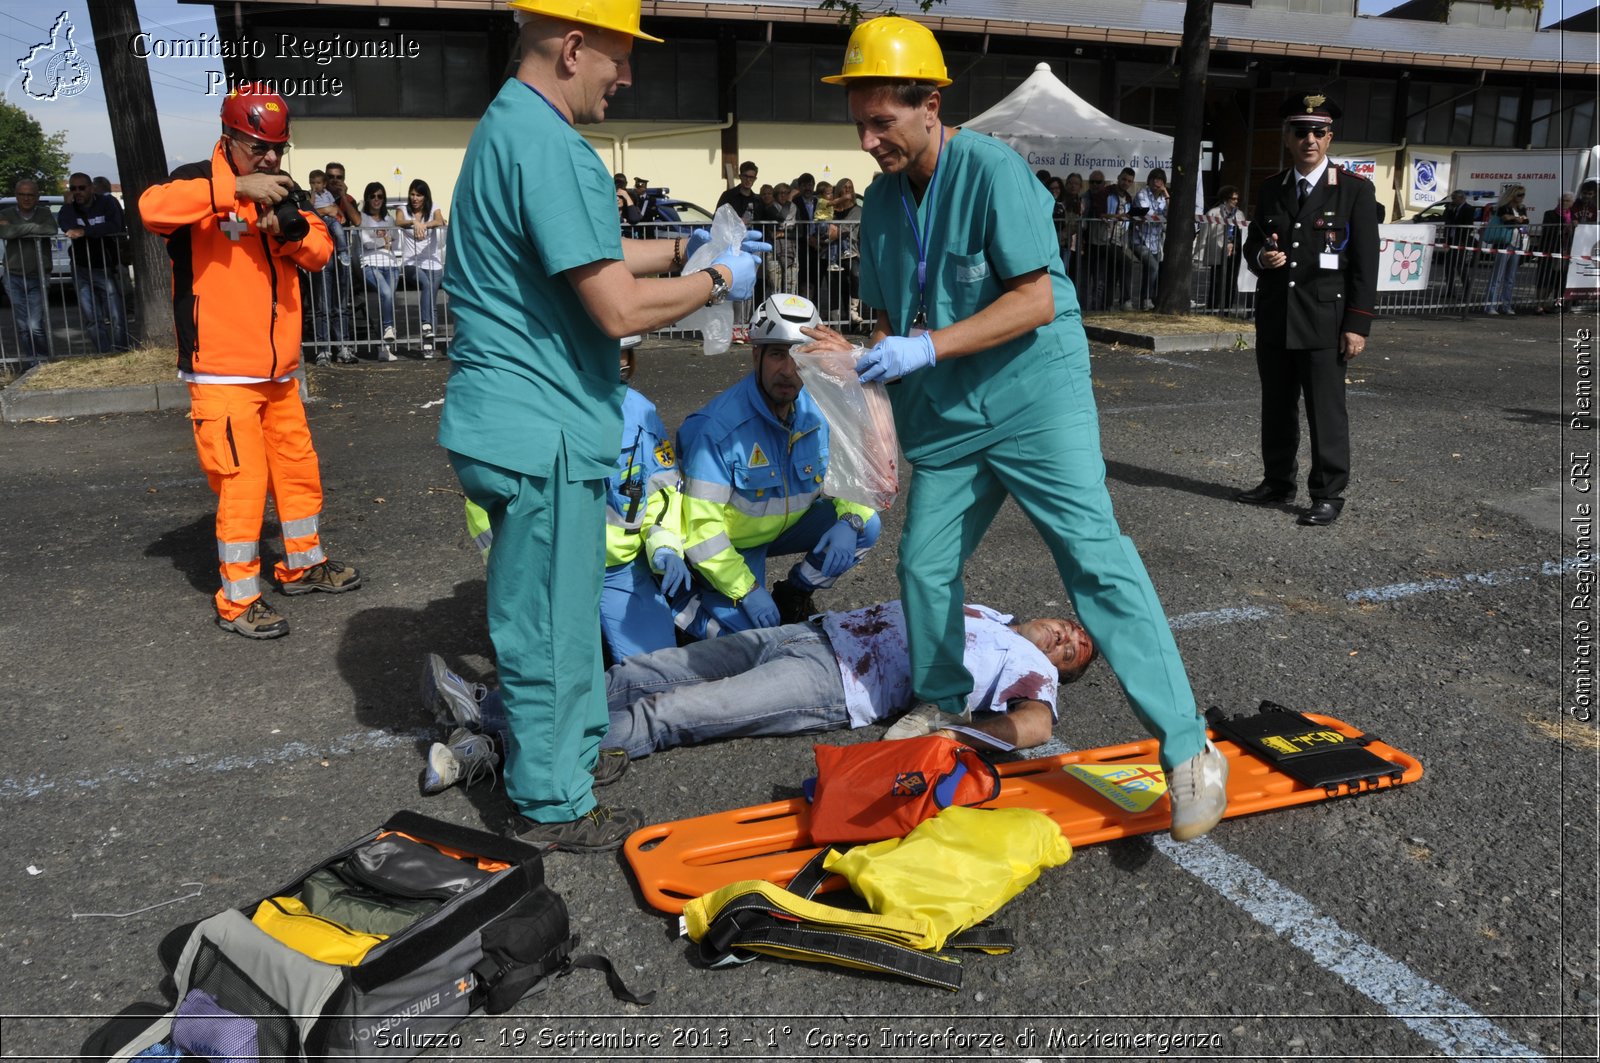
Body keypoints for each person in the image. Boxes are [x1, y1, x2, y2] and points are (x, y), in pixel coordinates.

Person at [823, 15, 1226, 843]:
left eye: (882, 122)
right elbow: (896, 320)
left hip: (1035, 400)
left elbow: (1035, 299)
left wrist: (923, 345)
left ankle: (1189, 750)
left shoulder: (993, 169)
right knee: (925, 562)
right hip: (948, 415)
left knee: (1094, 562)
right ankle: (938, 702)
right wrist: (850, 366)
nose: (868, 140)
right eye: (859, 122)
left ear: (930, 103)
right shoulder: (881, 204)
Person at [439, 0, 763, 853]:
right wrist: (715, 278)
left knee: (565, 609)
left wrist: (684, 249)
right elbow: (614, 303)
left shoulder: (512, 131)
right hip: (540, 425)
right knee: (548, 621)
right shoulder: (552, 146)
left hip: (528, 421)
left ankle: (574, 755)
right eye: (620, 58)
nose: (628, 76)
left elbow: (584, 249)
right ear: (573, 47)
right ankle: (551, 801)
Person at [417, 602, 1098, 791]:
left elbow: (1035, 725)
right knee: (645, 670)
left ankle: (502, 749)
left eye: (1076, 654)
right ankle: (492, 704)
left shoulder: (1031, 672)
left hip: (832, 685)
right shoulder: (988, 611)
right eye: (1073, 629)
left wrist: (959, 736)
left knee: (672, 715)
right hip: (808, 633)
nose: (1069, 640)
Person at [140, 84, 361, 638]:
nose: (270, 158)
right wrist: (235, 188)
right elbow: (149, 208)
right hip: (220, 370)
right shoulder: (195, 180)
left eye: (277, 149)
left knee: (296, 470)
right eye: (258, 147)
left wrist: (286, 228)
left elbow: (320, 251)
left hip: (280, 372)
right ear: (230, 138)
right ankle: (239, 599)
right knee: (242, 483)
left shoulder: (284, 193)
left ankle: (304, 564)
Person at [463, 340, 687, 663]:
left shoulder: (641, 413)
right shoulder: (528, 415)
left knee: (658, 674)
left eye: (622, 357)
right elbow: (485, 497)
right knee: (545, 684)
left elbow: (663, 489)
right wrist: (514, 566)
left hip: (620, 571)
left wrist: (665, 545)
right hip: (552, 574)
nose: (616, 366)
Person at [673, 293, 880, 638]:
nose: (787, 370)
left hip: (784, 528)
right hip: (730, 546)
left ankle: (794, 593)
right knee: (747, 644)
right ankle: (682, 606)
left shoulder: (818, 411)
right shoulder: (718, 430)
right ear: (756, 356)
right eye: (777, 355)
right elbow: (702, 534)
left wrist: (852, 517)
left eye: (798, 357)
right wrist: (748, 591)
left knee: (866, 525)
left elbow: (852, 475)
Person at [1239, 93, 1379, 528]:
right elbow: (1254, 242)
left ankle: (1328, 492)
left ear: (1330, 137)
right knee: (1277, 406)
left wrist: (1357, 325)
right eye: (1301, 132)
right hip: (1277, 316)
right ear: (1287, 137)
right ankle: (1278, 480)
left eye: (1318, 132)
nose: (1310, 139)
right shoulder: (1271, 188)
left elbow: (1364, 264)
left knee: (1326, 409)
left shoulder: (1354, 190)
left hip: (1324, 319)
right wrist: (1262, 257)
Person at [58, 171, 130, 353]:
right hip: (81, 267)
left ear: (91, 188)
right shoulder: (68, 208)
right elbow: (66, 225)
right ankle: (103, 352)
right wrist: (94, 230)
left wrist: (85, 232)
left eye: (82, 188)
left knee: (116, 314)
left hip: (105, 265)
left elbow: (115, 225)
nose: (77, 192)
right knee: (92, 316)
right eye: (73, 188)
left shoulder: (107, 203)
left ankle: (121, 350)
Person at [0, 178, 57, 367]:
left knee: (35, 325)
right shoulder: (6, 213)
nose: (26, 198)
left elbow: (50, 229)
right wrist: (33, 228)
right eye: (22, 194)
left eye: (30, 195)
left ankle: (43, 360)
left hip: (38, 275)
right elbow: (5, 233)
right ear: (16, 195)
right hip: (13, 275)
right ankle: (32, 362)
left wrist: (18, 230)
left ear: (37, 196)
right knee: (23, 326)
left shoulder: (45, 213)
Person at [396, 178, 447, 357]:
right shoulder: (403, 208)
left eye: (419, 195)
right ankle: (426, 325)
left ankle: (428, 345)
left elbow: (440, 221)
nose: (415, 198)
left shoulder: (434, 208)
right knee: (425, 284)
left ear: (425, 196)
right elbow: (399, 222)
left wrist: (424, 224)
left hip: (433, 262)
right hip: (412, 263)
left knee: (431, 303)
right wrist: (413, 223)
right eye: (412, 194)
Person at [356, 181, 400, 360]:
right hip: (370, 263)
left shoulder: (388, 219)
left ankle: (385, 349)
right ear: (367, 198)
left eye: (380, 196)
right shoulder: (362, 217)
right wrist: (384, 241)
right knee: (387, 294)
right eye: (373, 196)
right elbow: (366, 242)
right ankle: (389, 328)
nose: (376, 199)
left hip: (390, 263)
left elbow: (395, 237)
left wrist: (387, 240)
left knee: (386, 303)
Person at [1482, 185, 1529, 316]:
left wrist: (1517, 219)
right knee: (1497, 276)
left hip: (1517, 243)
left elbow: (1526, 220)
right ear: (1512, 195)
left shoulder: (1522, 208)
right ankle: (1490, 305)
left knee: (1510, 277)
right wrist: (1516, 219)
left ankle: (1506, 304)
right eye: (1519, 195)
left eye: (1523, 195)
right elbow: (1505, 219)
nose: (1521, 198)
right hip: (1504, 243)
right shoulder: (1504, 207)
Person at [1201, 185, 1243, 312]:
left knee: (1231, 281)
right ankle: (1212, 308)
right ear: (1225, 199)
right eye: (1233, 199)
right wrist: (1199, 254)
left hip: (1234, 251)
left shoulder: (1239, 214)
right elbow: (1204, 234)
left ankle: (1227, 309)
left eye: (1237, 199)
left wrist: (1235, 245)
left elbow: (1242, 233)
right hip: (1219, 251)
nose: (1235, 201)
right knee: (1217, 281)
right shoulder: (1213, 213)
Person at [1132, 168, 1168, 310]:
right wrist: (1162, 218)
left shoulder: (1163, 198)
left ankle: (1147, 301)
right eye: (1153, 178)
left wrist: (1166, 193)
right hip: (1139, 239)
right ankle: (1146, 299)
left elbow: (1170, 213)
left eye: (1159, 179)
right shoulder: (1142, 193)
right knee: (1153, 266)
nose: (1156, 181)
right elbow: (1148, 214)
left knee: (1152, 270)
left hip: (1155, 242)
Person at [1536, 190, 1574, 313]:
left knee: (1559, 279)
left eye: (1567, 200)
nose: (1564, 202)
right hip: (1550, 250)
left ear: (1572, 203)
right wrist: (1564, 227)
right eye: (1562, 200)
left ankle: (1556, 304)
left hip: (1566, 251)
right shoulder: (1549, 214)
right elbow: (1548, 230)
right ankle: (1539, 305)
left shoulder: (1573, 217)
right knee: (1545, 278)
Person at [1438, 189, 1479, 302]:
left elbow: (1467, 225)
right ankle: (1450, 290)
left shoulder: (1468, 209)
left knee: (1460, 267)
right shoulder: (1451, 209)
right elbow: (1446, 220)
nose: (1453, 201)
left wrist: (1462, 240)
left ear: (1461, 198)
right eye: (1452, 198)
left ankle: (1467, 291)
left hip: (1460, 241)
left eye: (1455, 198)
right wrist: (1449, 211)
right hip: (1451, 240)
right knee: (1448, 266)